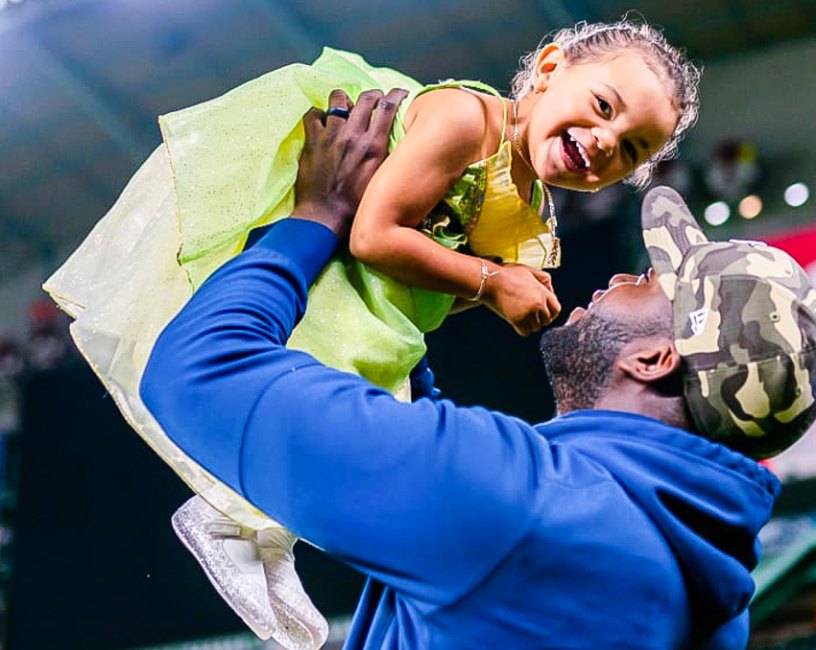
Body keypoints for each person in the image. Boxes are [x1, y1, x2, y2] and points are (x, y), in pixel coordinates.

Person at [44, 18, 701, 649]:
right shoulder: (466, 121)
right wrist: (491, 283)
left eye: (634, 149)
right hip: (349, 256)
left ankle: (258, 523)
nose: (607, 141)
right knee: (334, 381)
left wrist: (491, 290)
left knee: (373, 397)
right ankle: (234, 518)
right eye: (604, 105)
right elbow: (373, 234)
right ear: (551, 70)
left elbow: (435, 291)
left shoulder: (530, 208)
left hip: (384, 293)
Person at [140, 88, 816, 649]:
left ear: (654, 358)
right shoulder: (714, 606)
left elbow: (198, 370)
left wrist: (317, 218)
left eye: (649, 281)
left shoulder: (526, 503)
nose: (623, 275)